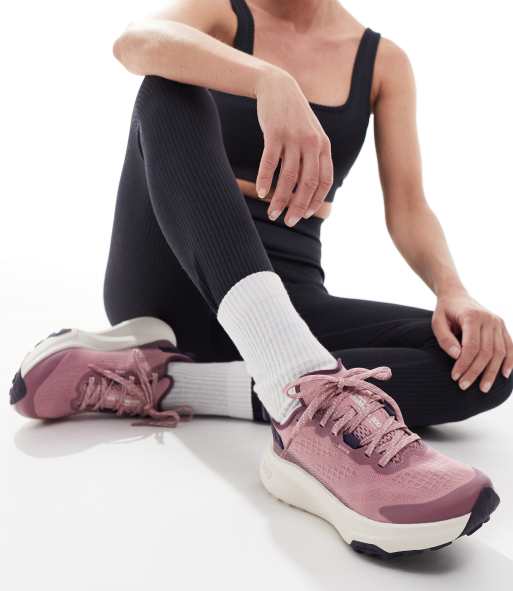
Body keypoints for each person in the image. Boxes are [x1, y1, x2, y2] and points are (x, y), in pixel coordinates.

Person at [10, 1, 512, 557]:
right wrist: (269, 81)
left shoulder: (383, 63)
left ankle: (178, 381)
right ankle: (300, 403)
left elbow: (409, 208)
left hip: (287, 303)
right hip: (171, 281)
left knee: (480, 363)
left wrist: (452, 289)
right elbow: (135, 42)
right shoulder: (223, 13)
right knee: (168, 87)